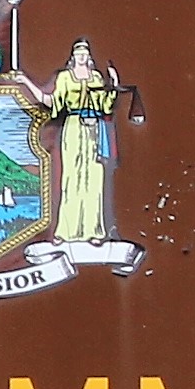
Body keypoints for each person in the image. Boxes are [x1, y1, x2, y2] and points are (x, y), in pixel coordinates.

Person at [48, 40, 126, 245]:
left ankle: (94, 230)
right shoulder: (65, 77)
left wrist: (114, 85)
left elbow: (105, 105)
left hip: (94, 129)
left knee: (94, 178)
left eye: (85, 53)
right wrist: (27, 84)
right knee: (71, 178)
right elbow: (55, 102)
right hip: (73, 127)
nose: (82, 56)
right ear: (73, 56)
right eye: (78, 53)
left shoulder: (96, 77)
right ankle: (66, 231)